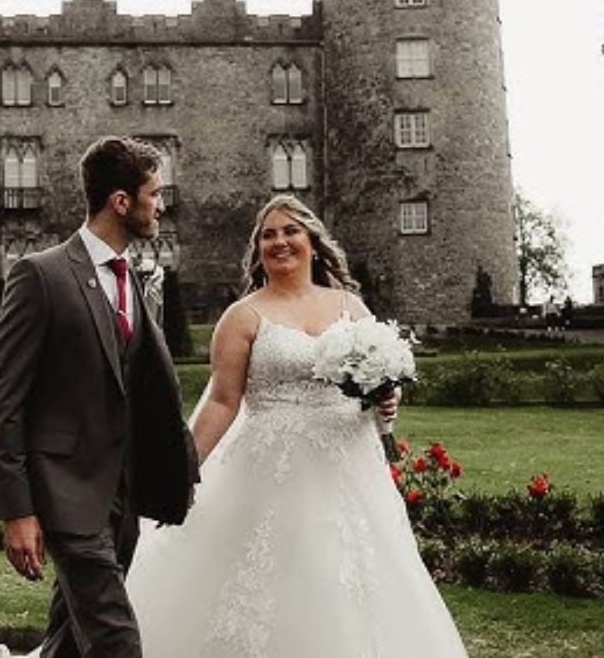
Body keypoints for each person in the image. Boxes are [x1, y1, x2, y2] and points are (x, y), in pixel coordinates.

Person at [123, 195, 467, 656]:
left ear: (312, 242)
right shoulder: (242, 316)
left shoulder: (349, 305)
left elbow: (376, 382)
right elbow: (224, 402)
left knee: (352, 579)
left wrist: (388, 397)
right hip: (269, 471)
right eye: (268, 235)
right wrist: (180, 472)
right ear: (258, 250)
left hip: (348, 467)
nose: (279, 242)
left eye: (290, 232)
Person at [0, 137, 199, 658]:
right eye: (154, 193)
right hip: (64, 492)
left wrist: (176, 470)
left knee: (70, 641)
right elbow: (4, 401)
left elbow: (146, 393)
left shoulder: (136, 279)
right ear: (120, 201)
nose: (162, 204)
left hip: (122, 496)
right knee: (115, 640)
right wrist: (18, 511)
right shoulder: (41, 274)